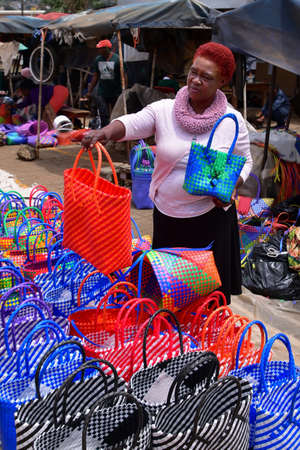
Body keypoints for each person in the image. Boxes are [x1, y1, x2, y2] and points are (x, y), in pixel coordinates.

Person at [82, 42, 253, 303]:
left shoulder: (231, 120)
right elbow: (132, 123)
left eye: (206, 77)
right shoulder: (165, 109)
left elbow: (246, 162)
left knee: (206, 299)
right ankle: (172, 341)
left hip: (211, 219)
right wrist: (104, 132)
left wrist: (232, 184)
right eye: (193, 72)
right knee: (169, 295)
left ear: (222, 82)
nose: (196, 80)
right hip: (168, 216)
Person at [86, 39, 127, 127]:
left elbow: (124, 75)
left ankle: (114, 130)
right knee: (103, 113)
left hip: (115, 91)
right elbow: (96, 76)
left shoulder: (117, 59)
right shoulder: (98, 59)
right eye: (98, 48)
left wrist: (125, 90)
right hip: (102, 91)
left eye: (101, 48)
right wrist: (90, 91)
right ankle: (105, 130)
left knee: (116, 113)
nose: (99, 50)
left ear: (107, 48)